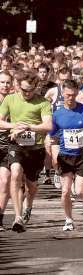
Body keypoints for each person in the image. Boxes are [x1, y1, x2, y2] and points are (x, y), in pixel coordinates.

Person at [0, 71, 52, 232]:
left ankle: (28, 203)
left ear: (36, 87)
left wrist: (30, 127)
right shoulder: (10, 99)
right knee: (15, 173)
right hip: (17, 145)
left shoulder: (42, 102)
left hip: (36, 148)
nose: (27, 93)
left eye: (30, 90)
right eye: (24, 90)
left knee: (31, 186)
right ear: (18, 87)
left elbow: (48, 126)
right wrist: (15, 126)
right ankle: (18, 216)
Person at [49, 80, 83, 231]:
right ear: (62, 92)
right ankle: (68, 219)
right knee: (65, 190)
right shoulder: (57, 114)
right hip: (65, 155)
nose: (71, 98)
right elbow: (53, 137)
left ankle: (76, 186)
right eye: (68, 95)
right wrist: (54, 155)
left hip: (82, 156)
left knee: (80, 192)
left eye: (73, 95)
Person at [0, 71, 12, 231]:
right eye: (2, 82)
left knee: (5, 182)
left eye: (8, 82)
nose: (5, 85)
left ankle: (0, 218)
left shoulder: (15, 101)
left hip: (8, 146)